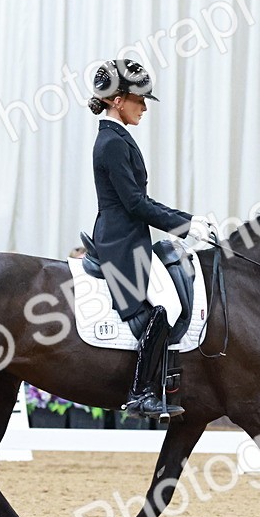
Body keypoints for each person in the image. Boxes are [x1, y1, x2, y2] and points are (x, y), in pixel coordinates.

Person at [87, 59, 217, 417]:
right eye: (139, 99)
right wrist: (186, 226)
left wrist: (189, 221)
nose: (143, 107)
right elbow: (135, 203)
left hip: (129, 237)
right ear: (117, 100)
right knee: (169, 306)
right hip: (121, 242)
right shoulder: (111, 142)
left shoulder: (117, 138)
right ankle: (141, 392)